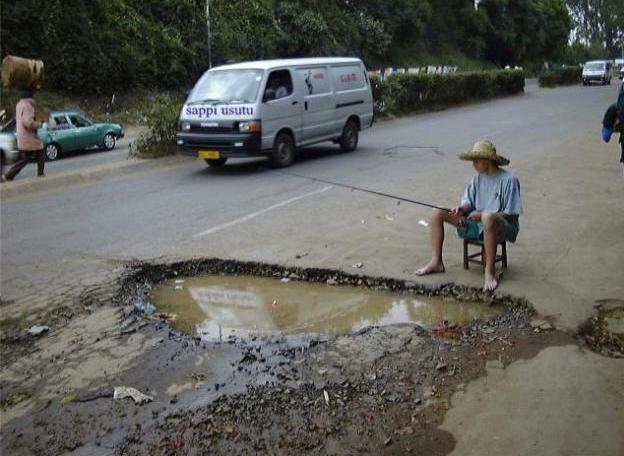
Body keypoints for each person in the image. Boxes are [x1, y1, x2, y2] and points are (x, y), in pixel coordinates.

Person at [416, 140, 523, 292]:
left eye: (476, 161)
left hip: (502, 225)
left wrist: (483, 216)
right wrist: (461, 208)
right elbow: (468, 203)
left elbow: (510, 214)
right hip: (477, 223)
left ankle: (489, 271)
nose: (473, 165)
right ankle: (436, 261)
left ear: (488, 160)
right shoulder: (477, 179)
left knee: (488, 217)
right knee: (438, 211)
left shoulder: (509, 180)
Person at [2, 89, 45, 182]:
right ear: (30, 96)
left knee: (25, 159)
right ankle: (40, 174)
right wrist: (39, 124)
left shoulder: (19, 105)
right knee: (41, 152)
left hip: (22, 136)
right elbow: (28, 122)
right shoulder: (28, 106)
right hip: (29, 137)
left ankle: (8, 175)